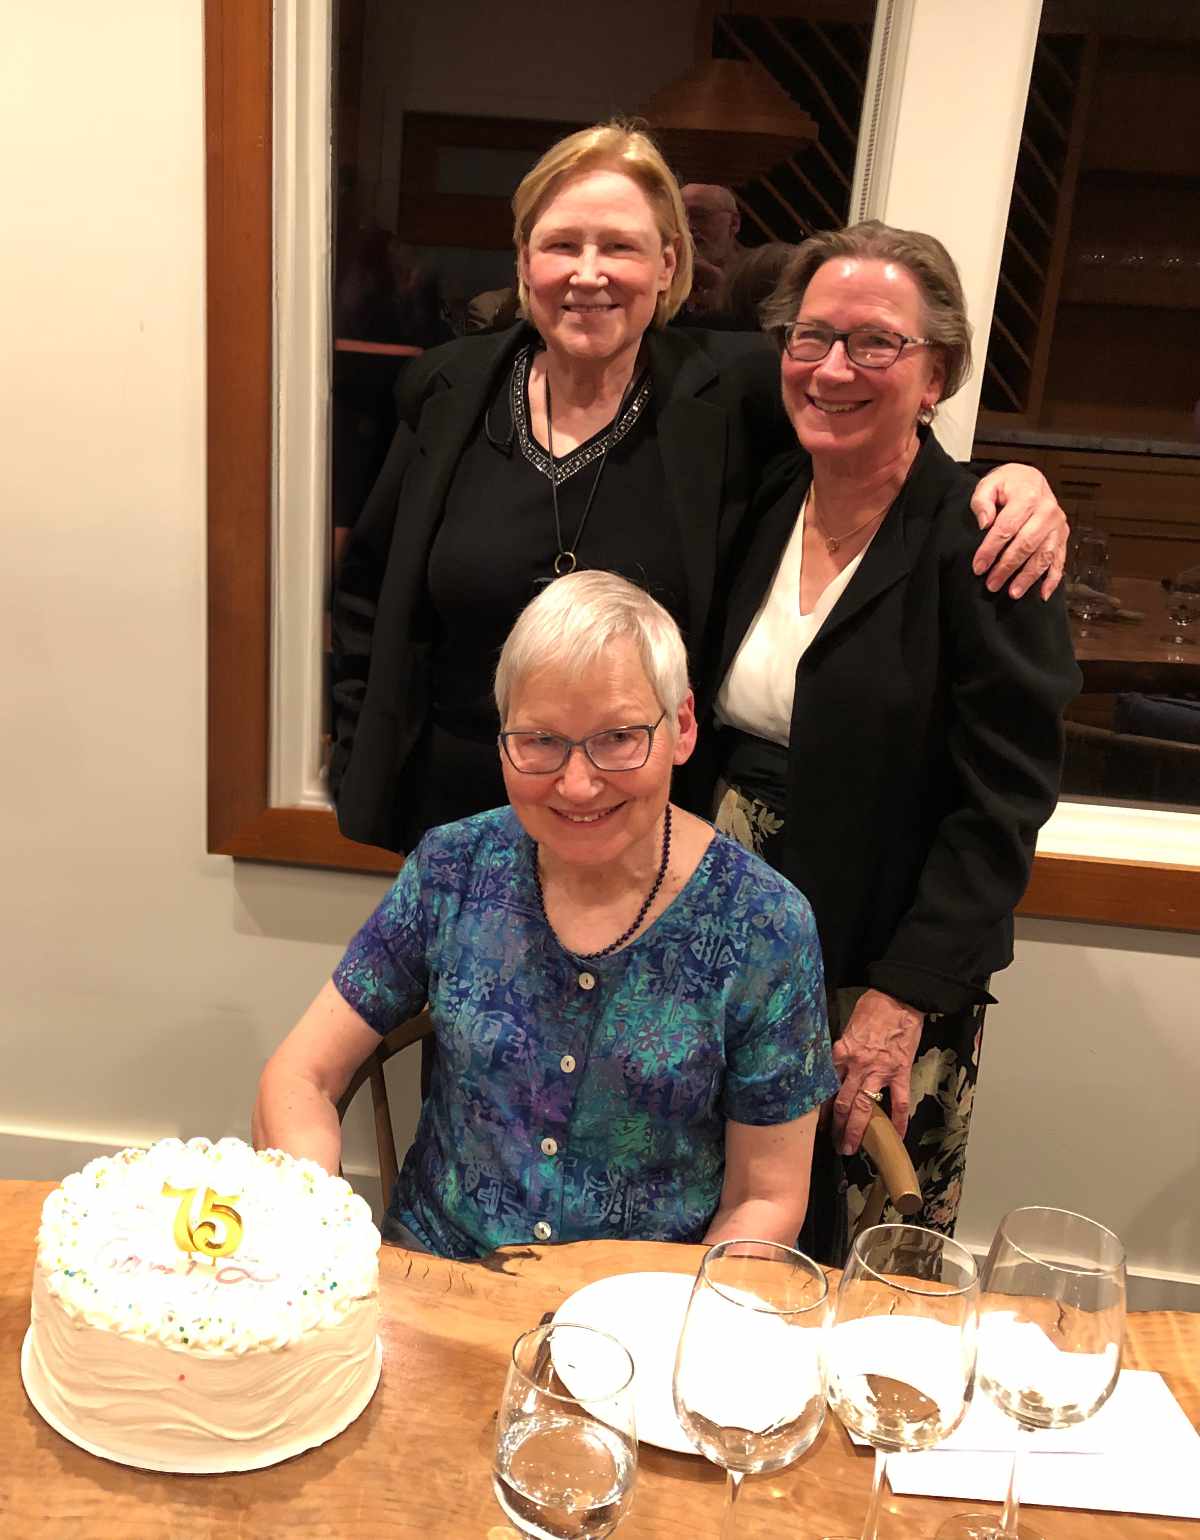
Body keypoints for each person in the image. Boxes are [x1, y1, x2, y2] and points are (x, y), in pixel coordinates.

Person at [331, 120, 1068, 857]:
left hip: (647, 835)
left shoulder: (732, 393)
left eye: (620, 245)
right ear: (526, 263)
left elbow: (865, 426)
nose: (589, 272)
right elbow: (368, 587)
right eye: (562, 244)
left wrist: (1001, 479)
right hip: (454, 819)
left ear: (668, 263)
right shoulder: (449, 391)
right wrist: (362, 745)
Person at [255, 573, 838, 1258]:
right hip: (437, 1278)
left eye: (619, 738)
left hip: (639, 1314)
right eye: (538, 741)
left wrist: (674, 1328)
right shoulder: (453, 868)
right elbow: (300, 1075)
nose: (578, 784)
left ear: (681, 727)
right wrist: (320, 1230)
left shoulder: (765, 925)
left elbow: (765, 1199)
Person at [710, 221, 1082, 1257]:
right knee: (720, 1234)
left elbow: (1003, 803)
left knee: (851, 1263)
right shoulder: (758, 500)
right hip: (726, 949)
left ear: (938, 374)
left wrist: (900, 998)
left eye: (875, 343)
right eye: (811, 336)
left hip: (883, 966)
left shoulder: (986, 542)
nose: (834, 367)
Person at [680, 182, 745, 314]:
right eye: (679, 217)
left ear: (734, 223)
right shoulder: (663, 275)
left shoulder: (755, 274)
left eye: (699, 216)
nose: (686, 227)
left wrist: (721, 287)